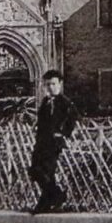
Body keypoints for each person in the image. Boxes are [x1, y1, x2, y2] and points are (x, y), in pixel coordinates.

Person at [28, 69, 78, 215]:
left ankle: (45, 203)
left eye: (54, 84)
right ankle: (56, 196)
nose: (51, 87)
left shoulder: (64, 102)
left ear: (60, 85)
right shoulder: (45, 102)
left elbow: (73, 118)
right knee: (35, 170)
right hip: (41, 142)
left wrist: (63, 134)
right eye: (48, 84)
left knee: (47, 172)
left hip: (53, 143)